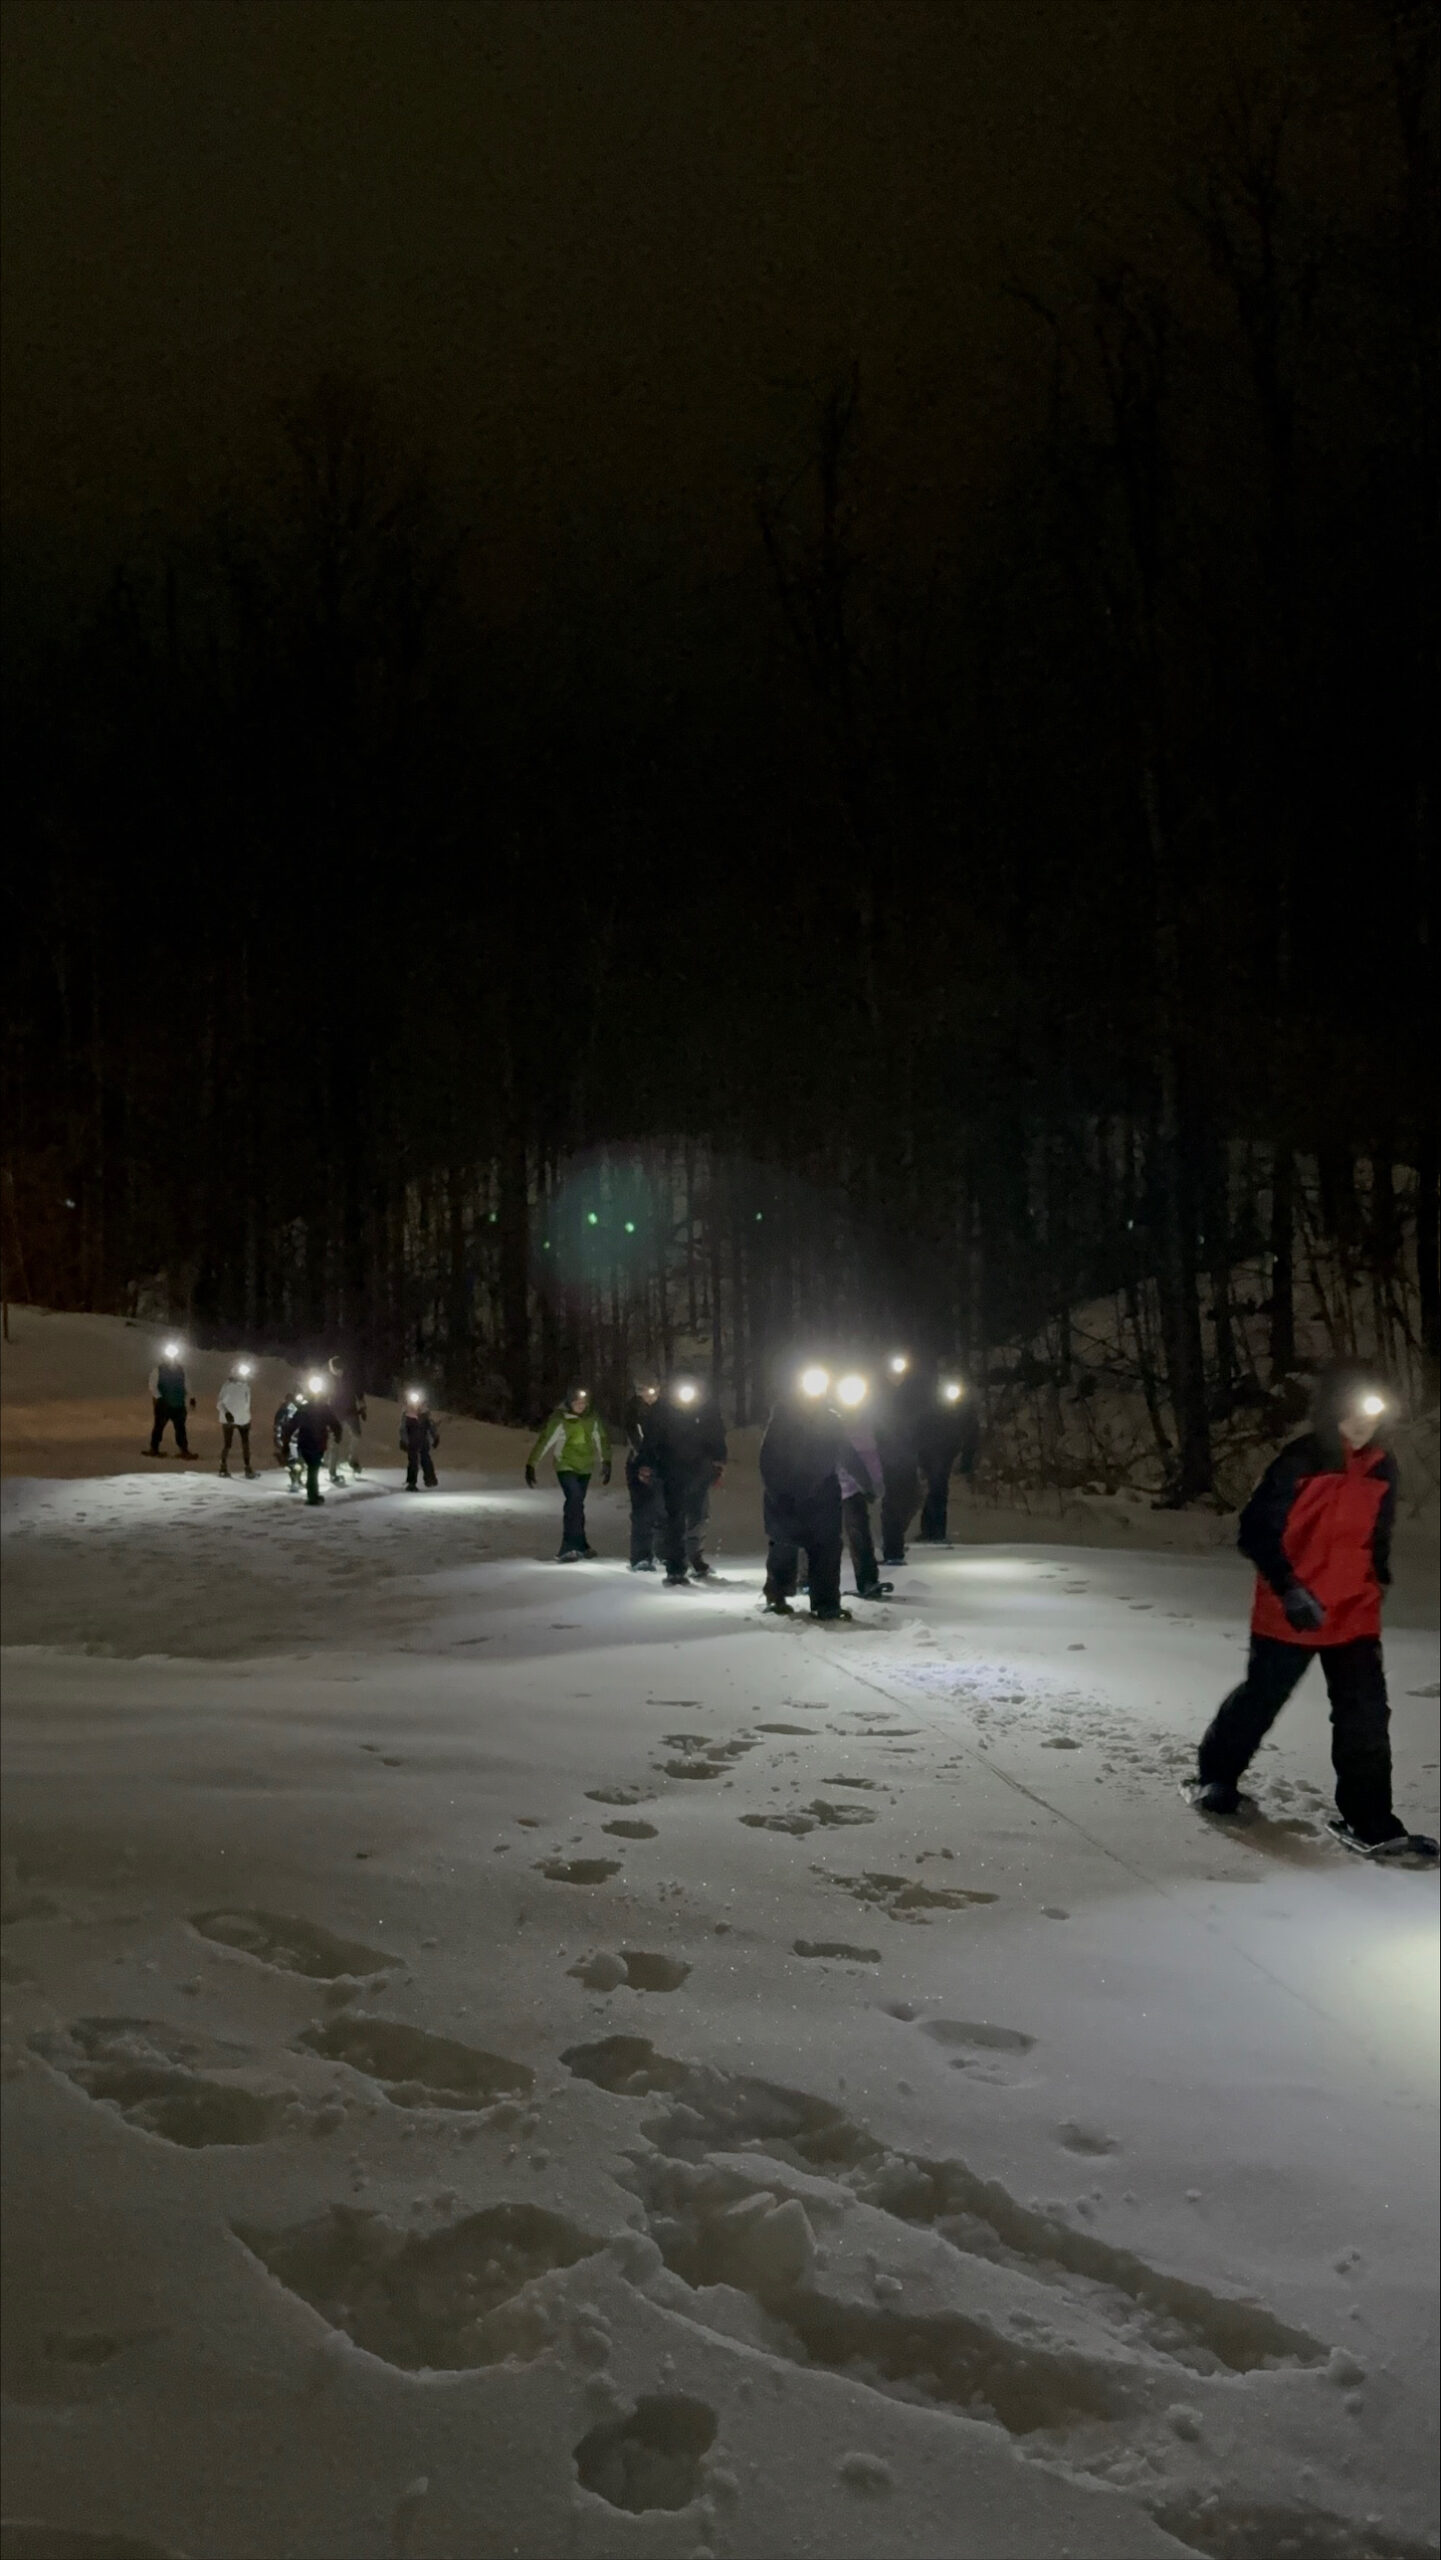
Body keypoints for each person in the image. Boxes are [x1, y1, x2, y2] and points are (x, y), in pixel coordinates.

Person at [1192, 1364, 1436, 1859]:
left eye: (1375, 1410)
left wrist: (1379, 1576)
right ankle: (1215, 1776)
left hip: (1353, 1613)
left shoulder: (1383, 1467)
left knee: (1364, 1717)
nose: (1365, 1421)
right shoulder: (1299, 1461)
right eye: (1355, 1409)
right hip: (1291, 1611)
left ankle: (1370, 1819)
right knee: (1262, 1699)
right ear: (1334, 1409)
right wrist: (1289, 1589)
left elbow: (1378, 1534)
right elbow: (1255, 1531)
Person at [759, 1364, 874, 1622]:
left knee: (827, 1549)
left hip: (822, 1496)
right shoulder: (783, 1418)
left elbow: (846, 1453)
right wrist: (777, 1492)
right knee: (784, 1547)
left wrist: (866, 1483)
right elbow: (768, 1458)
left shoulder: (831, 1421)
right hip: (786, 1496)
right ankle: (777, 1594)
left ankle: (826, 1602)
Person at [633, 1375, 728, 1587]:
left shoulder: (706, 1409)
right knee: (674, 1519)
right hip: (671, 1472)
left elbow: (716, 1434)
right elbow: (652, 1439)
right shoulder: (662, 1411)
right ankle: (675, 1566)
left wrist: (719, 1461)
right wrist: (646, 1463)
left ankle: (695, 1558)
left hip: (699, 1471)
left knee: (698, 1517)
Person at [525, 1385, 612, 1560]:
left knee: (578, 1504)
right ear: (569, 1402)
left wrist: (606, 1461)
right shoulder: (560, 1419)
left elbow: (601, 1439)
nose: (581, 1406)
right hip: (566, 1466)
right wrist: (531, 1464)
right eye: (577, 1402)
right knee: (574, 1499)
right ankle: (568, 1546)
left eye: (583, 1402)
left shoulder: (592, 1418)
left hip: (585, 1467)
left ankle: (581, 1543)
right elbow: (545, 1441)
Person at [834, 1372, 893, 1600]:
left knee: (860, 1533)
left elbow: (874, 1454)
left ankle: (868, 1580)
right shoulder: (830, 1418)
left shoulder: (870, 1421)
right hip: (828, 1485)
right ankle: (806, 1578)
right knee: (819, 1535)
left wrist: (875, 1482)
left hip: (855, 1488)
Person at [915, 1375, 980, 1544]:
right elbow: (919, 1427)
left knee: (939, 1488)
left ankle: (935, 1530)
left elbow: (970, 1428)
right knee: (936, 1488)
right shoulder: (927, 1404)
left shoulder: (961, 1408)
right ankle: (933, 1529)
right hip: (931, 1450)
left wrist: (966, 1454)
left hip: (946, 1450)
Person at [874, 1350, 924, 1565]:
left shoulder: (910, 1394)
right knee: (894, 1503)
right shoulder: (879, 1395)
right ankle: (893, 1550)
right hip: (888, 1456)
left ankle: (894, 1541)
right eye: (893, 1371)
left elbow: (919, 1421)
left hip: (907, 1455)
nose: (897, 1376)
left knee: (913, 1499)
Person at [280, 1374, 342, 1507]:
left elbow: (291, 1426)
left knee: (312, 1468)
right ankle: (312, 1495)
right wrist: (338, 1434)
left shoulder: (306, 1408)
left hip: (307, 1443)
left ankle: (312, 1492)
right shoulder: (320, 1408)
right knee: (313, 1469)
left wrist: (285, 1442)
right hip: (314, 1443)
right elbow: (335, 1424)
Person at [622, 1376, 663, 1570]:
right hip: (639, 1465)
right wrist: (644, 1461)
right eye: (645, 1391)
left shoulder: (663, 1411)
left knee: (660, 1510)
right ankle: (640, 1556)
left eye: (653, 1391)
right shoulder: (635, 1412)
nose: (650, 1395)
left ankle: (660, 1552)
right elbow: (636, 1439)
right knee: (643, 1511)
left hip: (660, 1464)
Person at [146, 1340, 198, 1459]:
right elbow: (152, 1385)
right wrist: (159, 1398)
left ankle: (183, 1449)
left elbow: (187, 1384)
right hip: (163, 1404)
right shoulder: (158, 1370)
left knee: (180, 1428)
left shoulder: (181, 1370)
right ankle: (154, 1448)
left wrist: (192, 1398)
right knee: (159, 1427)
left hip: (178, 1404)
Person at [327, 1354, 367, 1482]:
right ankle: (332, 1470)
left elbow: (358, 1392)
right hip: (336, 1413)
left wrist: (362, 1406)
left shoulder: (349, 1378)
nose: (332, 1370)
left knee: (356, 1435)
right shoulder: (329, 1380)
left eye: (333, 1367)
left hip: (350, 1411)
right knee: (336, 1440)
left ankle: (352, 1460)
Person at [217, 1359, 258, 1478]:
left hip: (243, 1419)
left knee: (245, 1444)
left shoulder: (246, 1387)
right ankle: (223, 1466)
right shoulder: (228, 1386)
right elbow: (219, 1403)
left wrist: (247, 1416)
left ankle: (247, 1467)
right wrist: (226, 1413)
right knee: (227, 1444)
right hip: (229, 1420)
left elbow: (246, 1404)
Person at [399, 1387, 440, 1490]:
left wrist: (435, 1437)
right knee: (413, 1461)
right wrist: (404, 1441)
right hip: (412, 1441)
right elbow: (403, 1428)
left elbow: (431, 1426)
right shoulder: (407, 1414)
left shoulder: (425, 1414)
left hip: (423, 1440)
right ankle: (411, 1483)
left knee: (425, 1459)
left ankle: (430, 1479)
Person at [273, 1381, 308, 1491]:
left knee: (301, 1461)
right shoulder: (286, 1408)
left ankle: (298, 1479)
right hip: (288, 1439)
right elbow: (278, 1423)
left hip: (301, 1438)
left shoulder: (305, 1407)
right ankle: (294, 1481)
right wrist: (278, 1437)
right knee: (292, 1461)